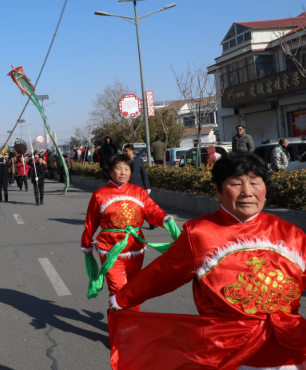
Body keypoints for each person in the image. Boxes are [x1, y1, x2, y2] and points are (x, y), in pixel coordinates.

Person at [109, 152, 306, 370]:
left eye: (254, 183)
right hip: (226, 348)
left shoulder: (291, 233)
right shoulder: (200, 233)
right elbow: (162, 272)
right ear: (218, 191)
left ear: (265, 190)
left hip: (288, 345)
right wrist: (122, 299)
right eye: (236, 184)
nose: (247, 192)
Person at [81, 154, 174, 348]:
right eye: (119, 168)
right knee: (118, 290)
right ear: (110, 171)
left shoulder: (139, 192)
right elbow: (90, 221)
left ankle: (132, 326)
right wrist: (87, 243)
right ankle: (120, 332)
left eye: (127, 169)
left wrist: (165, 219)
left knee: (134, 290)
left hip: (135, 249)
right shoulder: (100, 194)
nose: (123, 172)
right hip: (110, 249)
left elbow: (152, 211)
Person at [123, 144, 154, 229]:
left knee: (144, 206)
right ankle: (131, 224)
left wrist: (147, 187)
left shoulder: (139, 160)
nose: (124, 153)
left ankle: (151, 222)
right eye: (124, 151)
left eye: (126, 151)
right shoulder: (122, 161)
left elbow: (144, 174)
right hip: (127, 188)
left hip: (138, 187)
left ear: (132, 151)